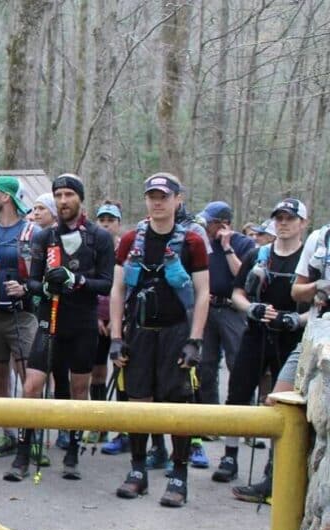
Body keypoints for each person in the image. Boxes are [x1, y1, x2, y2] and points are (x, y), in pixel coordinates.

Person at [3, 174, 114, 482]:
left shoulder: (98, 237)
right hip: (48, 320)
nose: (64, 201)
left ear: (79, 198)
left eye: (69, 195)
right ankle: (23, 453)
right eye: (59, 195)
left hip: (82, 324)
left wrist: (76, 281)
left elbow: (106, 283)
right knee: (32, 387)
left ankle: (72, 452)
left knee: (79, 389)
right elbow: (33, 282)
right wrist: (46, 284)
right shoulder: (44, 237)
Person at [111, 173, 210, 508]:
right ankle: (137, 471)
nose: (157, 202)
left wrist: (195, 341)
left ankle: (178, 475)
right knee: (138, 401)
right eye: (152, 196)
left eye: (164, 197)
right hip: (138, 332)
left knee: (177, 405)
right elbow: (118, 290)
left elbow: (203, 293)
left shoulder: (193, 242)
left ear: (177, 200)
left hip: (176, 332)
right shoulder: (129, 241)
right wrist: (115, 337)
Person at [212, 198, 308, 485]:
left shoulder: (309, 260)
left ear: (302, 223)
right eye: (279, 218)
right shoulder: (259, 254)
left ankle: (274, 465)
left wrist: (295, 319)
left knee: (283, 402)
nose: (283, 223)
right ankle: (229, 456)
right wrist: (250, 308)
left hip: (292, 339)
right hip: (255, 334)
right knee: (237, 394)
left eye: (290, 218)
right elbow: (237, 293)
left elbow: (318, 306)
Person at [0, 177, 39, 457]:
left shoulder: (33, 232)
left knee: (29, 378)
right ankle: (8, 435)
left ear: (5, 197)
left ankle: (32, 438)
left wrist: (26, 288)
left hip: (24, 316)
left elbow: (42, 277)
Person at [195, 201, 253, 465]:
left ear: (223, 223)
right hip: (209, 307)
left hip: (232, 310)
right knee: (205, 365)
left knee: (237, 364)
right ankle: (210, 422)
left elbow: (243, 276)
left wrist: (227, 246)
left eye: (211, 223)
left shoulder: (243, 244)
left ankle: (245, 422)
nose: (207, 228)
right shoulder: (202, 243)